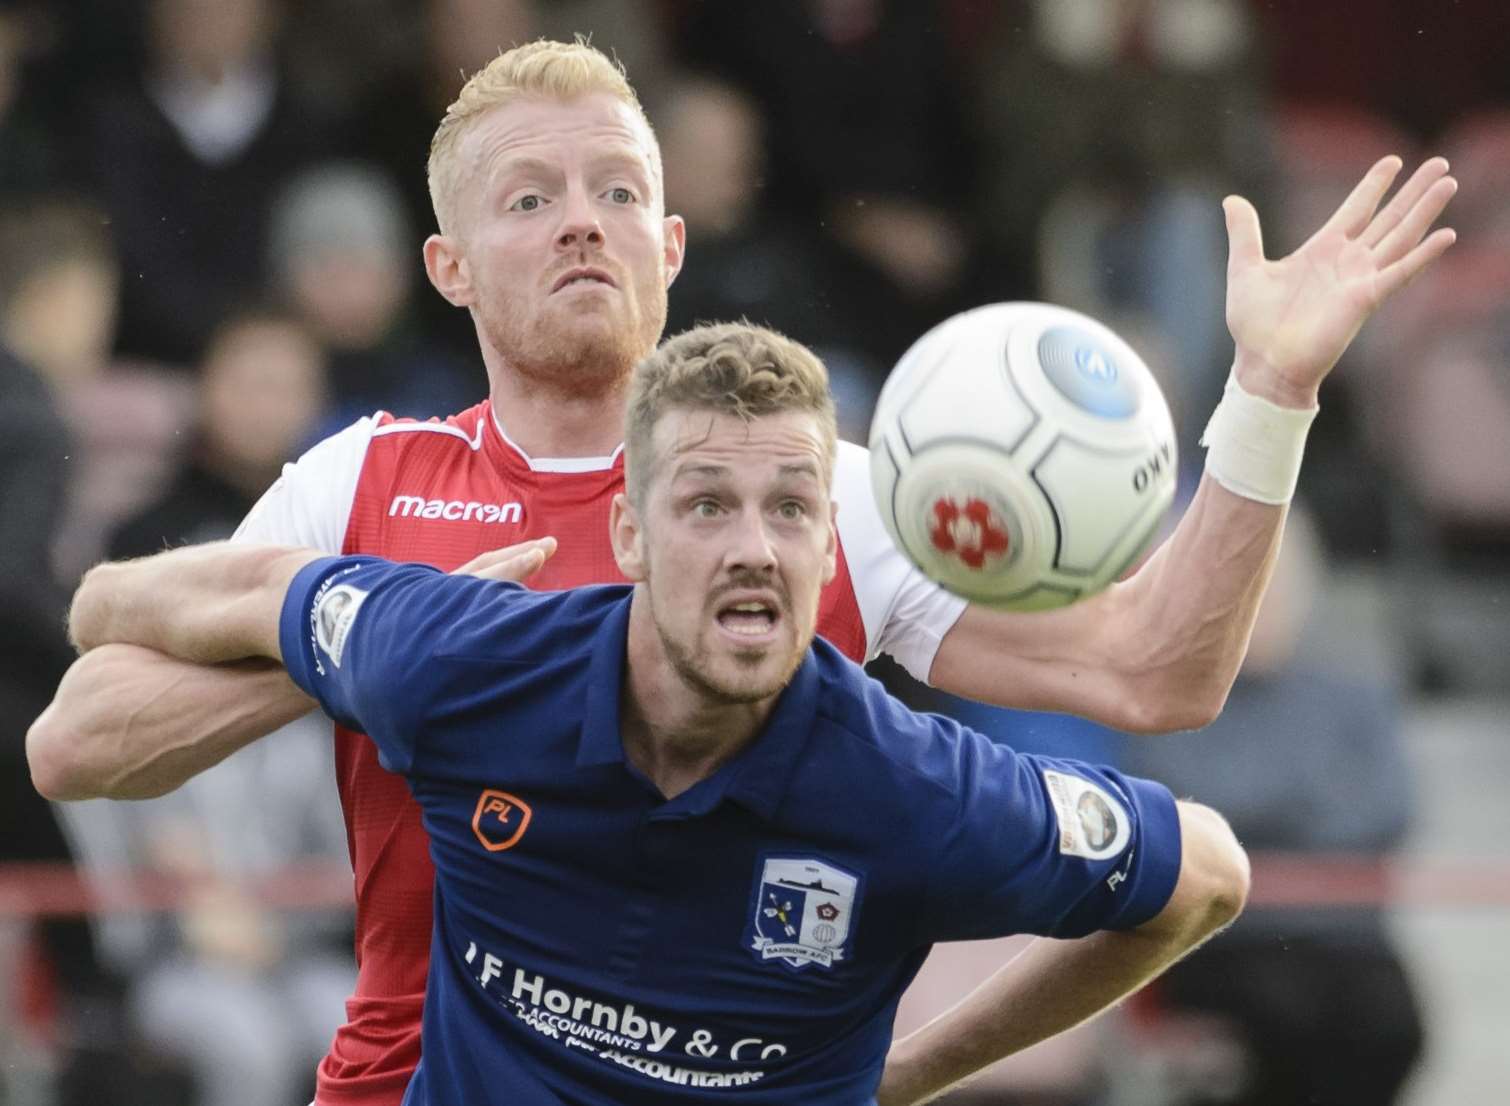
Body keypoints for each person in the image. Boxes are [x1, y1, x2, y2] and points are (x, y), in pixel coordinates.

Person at [28, 37, 1456, 1106]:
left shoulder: (817, 496)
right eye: (526, 199)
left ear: (671, 240)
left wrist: (1268, 390)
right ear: (448, 266)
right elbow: (76, 743)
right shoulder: (365, 484)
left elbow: (1157, 671)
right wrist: (391, 657)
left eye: (615, 189)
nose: (579, 219)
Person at [59, 322, 1251, 1105]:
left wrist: (910, 1071)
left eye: (792, 509)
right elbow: (258, 591)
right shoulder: (468, 659)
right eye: (705, 505)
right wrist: (105, 594)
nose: (752, 548)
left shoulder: (914, 791)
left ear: (831, 544)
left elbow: (1204, 876)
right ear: (627, 532)